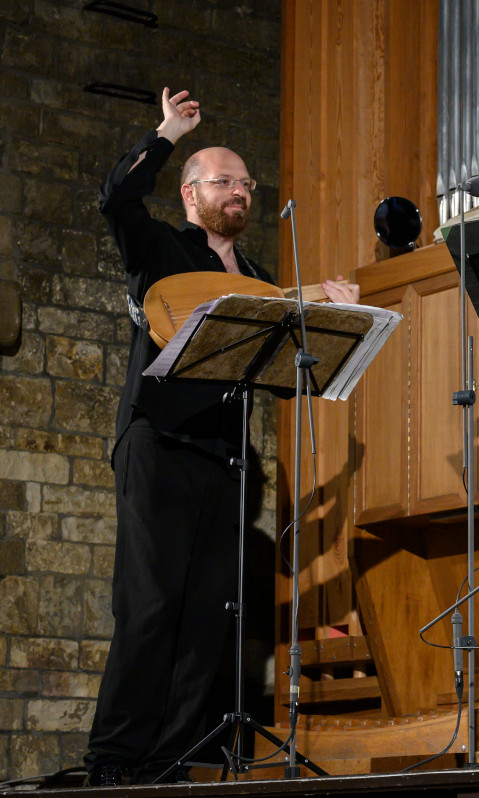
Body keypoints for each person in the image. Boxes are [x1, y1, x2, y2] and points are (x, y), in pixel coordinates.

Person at [84, 88, 359, 787]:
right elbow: (115, 198)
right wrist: (168, 132)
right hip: (158, 441)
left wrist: (324, 315)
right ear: (189, 193)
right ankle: (114, 759)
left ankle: (170, 758)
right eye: (224, 181)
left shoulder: (263, 279)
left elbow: (278, 367)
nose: (239, 191)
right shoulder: (160, 246)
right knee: (149, 606)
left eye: (245, 183)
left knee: (209, 616)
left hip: (227, 457)